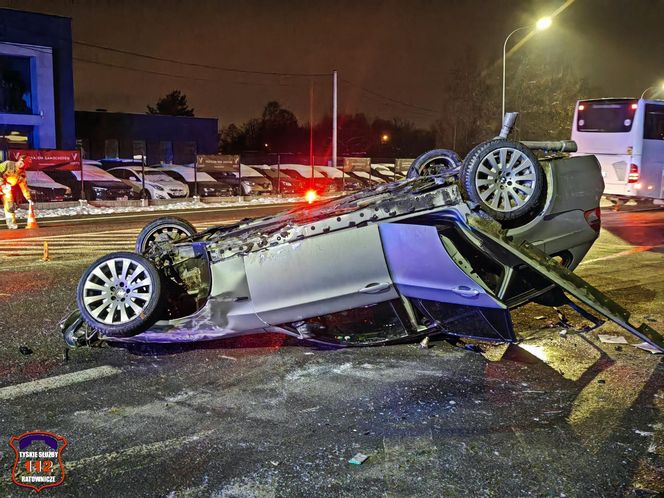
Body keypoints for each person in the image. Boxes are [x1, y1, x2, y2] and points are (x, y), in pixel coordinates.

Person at [0, 154, 32, 229]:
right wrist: (2, 184)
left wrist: (28, 198)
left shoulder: (22, 174)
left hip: (6, 189)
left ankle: (11, 223)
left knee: (10, 205)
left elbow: (24, 186)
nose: (22, 164)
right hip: (2, 185)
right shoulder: (7, 164)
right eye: (21, 161)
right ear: (19, 160)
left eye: (24, 164)